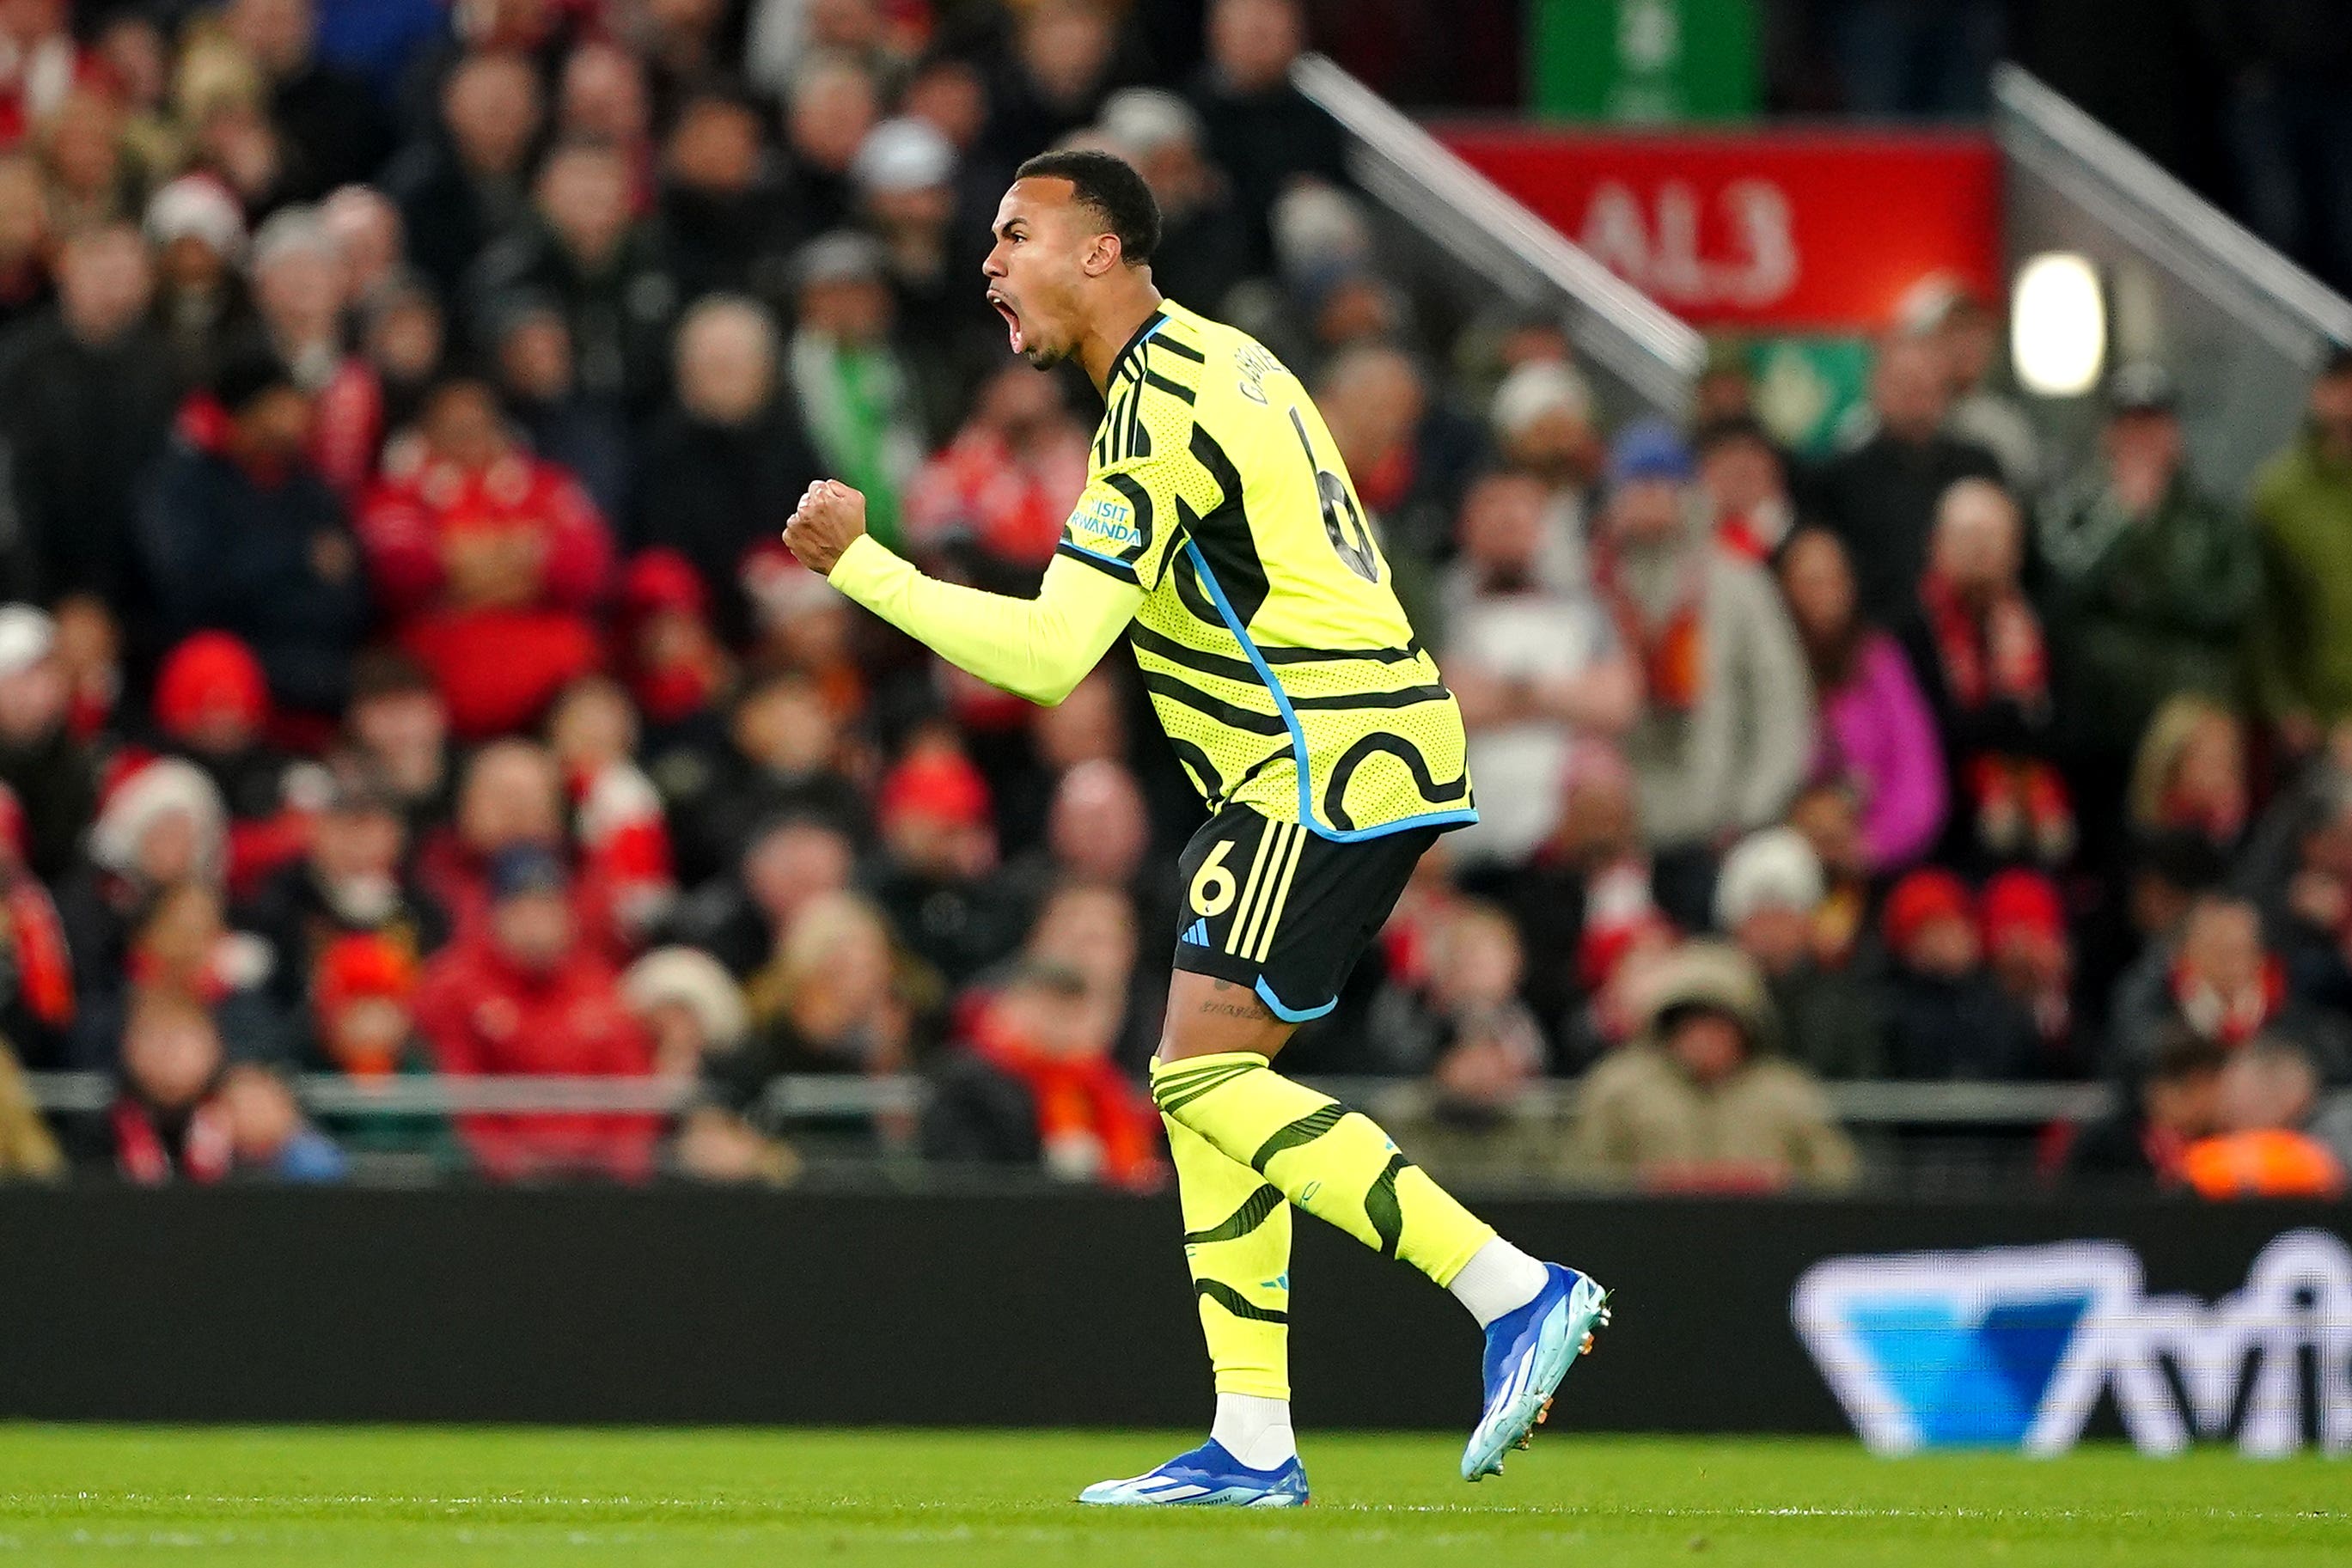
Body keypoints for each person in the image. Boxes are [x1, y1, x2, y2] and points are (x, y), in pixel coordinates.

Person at [782, 149, 1605, 1505]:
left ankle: (1512, 1291)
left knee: (1198, 1080)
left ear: (1100, 251)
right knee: (1199, 1085)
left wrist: (859, 568)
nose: (988, 260)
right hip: (1339, 746)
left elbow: (1052, 655)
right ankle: (1253, 1441)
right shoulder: (1227, 360)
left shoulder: (1152, 412)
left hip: (1315, 759)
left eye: (1016, 233)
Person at [1439, 468, 1640, 871]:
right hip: (1464, 828)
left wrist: (1519, 693)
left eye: (1520, 516)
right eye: (1495, 516)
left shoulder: (1585, 609)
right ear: (1468, 526)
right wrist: (1562, 697)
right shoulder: (1443, 604)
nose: (1508, 527)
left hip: (1562, 831)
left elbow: (1618, 702)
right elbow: (1440, 707)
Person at [1569, 939, 1857, 1192]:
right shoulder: (1620, 1088)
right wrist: (1638, 1185)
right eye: (1692, 1021)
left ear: (1746, 1027)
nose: (1705, 1036)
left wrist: (1788, 1185)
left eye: (1720, 1022)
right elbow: (1579, 1178)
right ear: (1670, 1026)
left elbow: (1839, 1182)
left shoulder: (1787, 1093)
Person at [1777, 527, 1946, 874]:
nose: (1823, 594)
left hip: (1877, 858)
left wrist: (1873, 845)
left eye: (1833, 580)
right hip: (1782, 856)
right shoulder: (1768, 667)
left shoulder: (1879, 661)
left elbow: (1917, 770)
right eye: (1810, 582)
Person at [1807, 334, 2004, 622]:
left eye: (1926, 386)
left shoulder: (1978, 466)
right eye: (1904, 384)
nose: (1917, 397)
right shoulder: (1843, 478)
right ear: (1877, 388)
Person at [2251, 346, 2352, 756]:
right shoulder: (2278, 494)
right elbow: (2263, 616)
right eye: (2338, 383)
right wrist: (2285, 707)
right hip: (2314, 732)